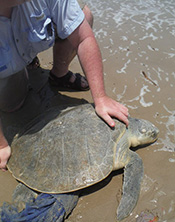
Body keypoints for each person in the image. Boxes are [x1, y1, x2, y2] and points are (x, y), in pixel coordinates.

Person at [0, 0, 129, 171]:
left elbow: (84, 38)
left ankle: (58, 74)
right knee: (12, 105)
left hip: (24, 40)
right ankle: (20, 65)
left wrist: (101, 98)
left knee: (83, 15)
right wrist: (1, 145)